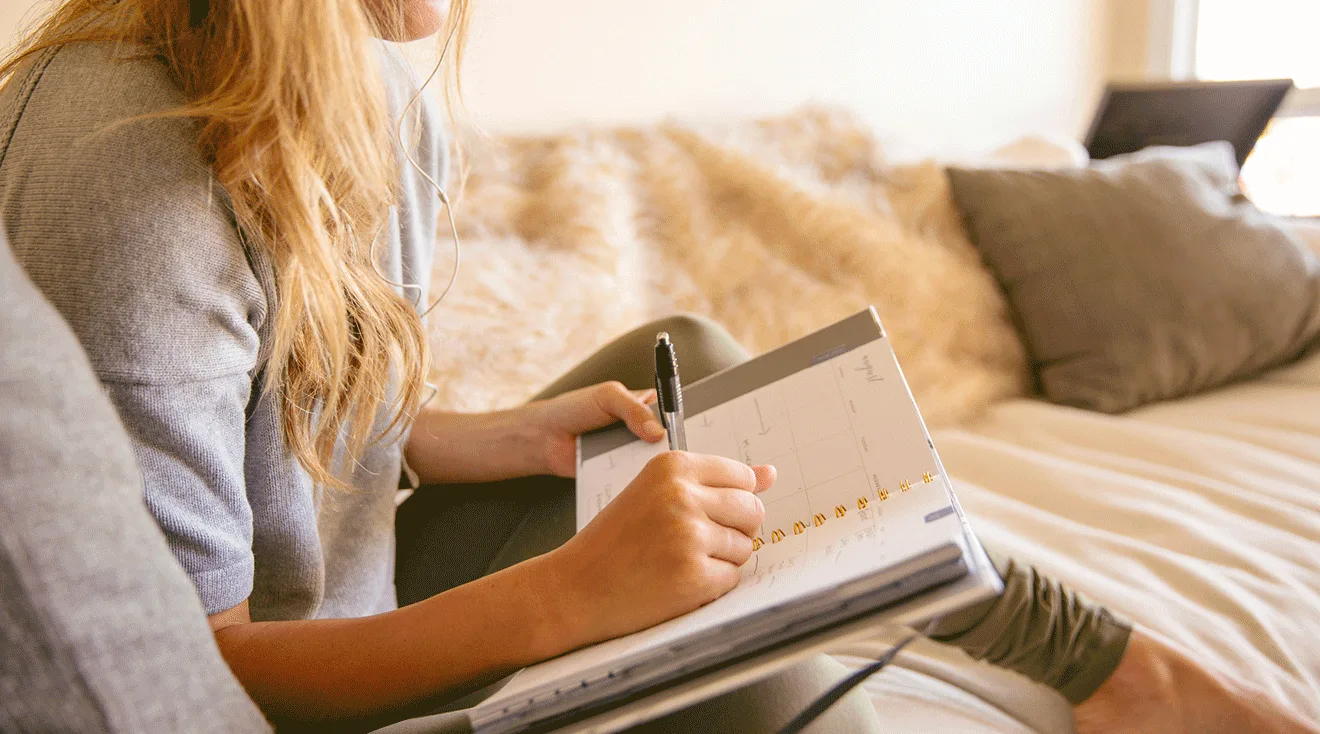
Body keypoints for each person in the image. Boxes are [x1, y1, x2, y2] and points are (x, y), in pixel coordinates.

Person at [0, 1, 1313, 732]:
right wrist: (575, 596)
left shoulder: (358, 65)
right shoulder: (131, 171)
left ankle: (1107, 665)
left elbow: (288, 399)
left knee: (696, 372)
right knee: (737, 661)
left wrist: (485, 434)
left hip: (356, 597)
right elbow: (185, 663)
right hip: (288, 697)